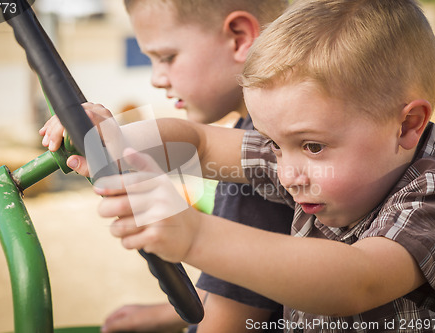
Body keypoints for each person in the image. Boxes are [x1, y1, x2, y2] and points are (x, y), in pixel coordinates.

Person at [53, 0, 435, 331]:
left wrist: (194, 237)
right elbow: (203, 143)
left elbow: (359, 280)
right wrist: (116, 139)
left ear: (407, 125)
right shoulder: (310, 166)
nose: (286, 174)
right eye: (275, 146)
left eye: (313, 146)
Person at [41, 1, 292, 332]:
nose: (157, 79)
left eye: (167, 57)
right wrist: (117, 137)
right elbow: (198, 144)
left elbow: (232, 320)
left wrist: (119, 139)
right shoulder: (261, 137)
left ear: (239, 38)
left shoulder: (262, 171)